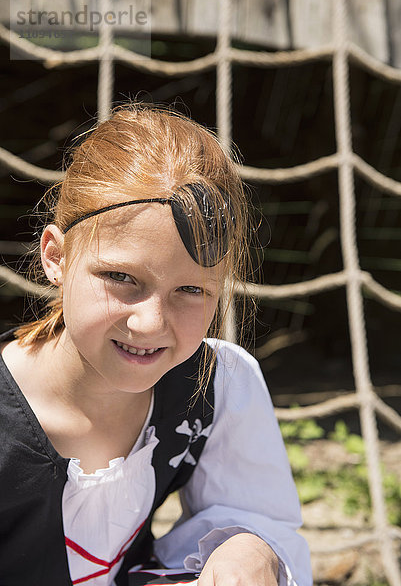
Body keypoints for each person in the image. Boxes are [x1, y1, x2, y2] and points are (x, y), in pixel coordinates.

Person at [0, 105, 312, 586]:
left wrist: (251, 549)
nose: (149, 324)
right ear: (55, 257)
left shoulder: (215, 382)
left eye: (191, 291)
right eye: (121, 278)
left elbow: (257, 515)